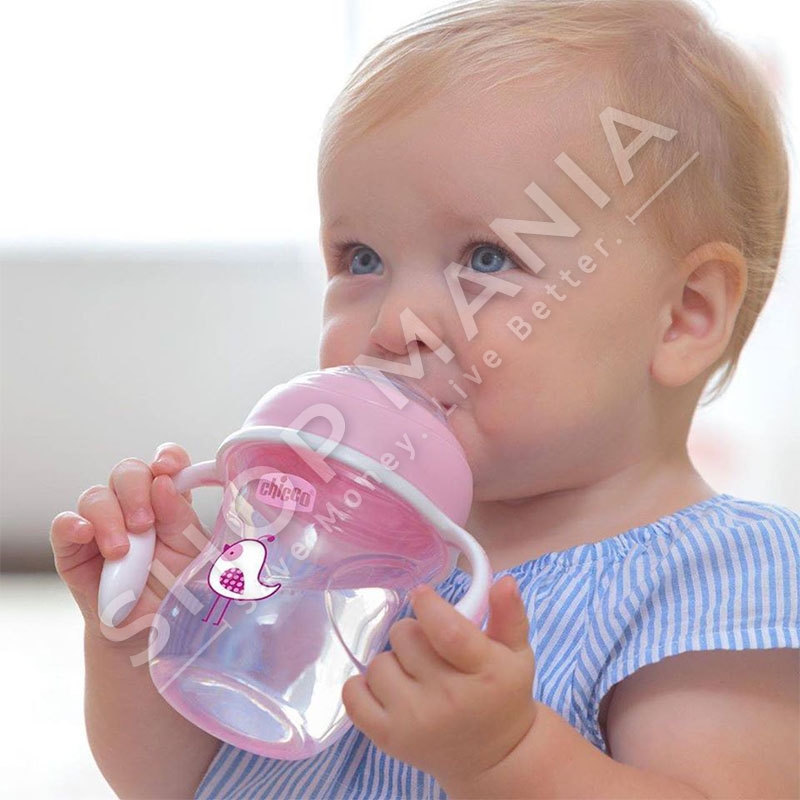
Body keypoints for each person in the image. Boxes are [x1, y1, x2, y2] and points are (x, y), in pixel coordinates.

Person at [50, 0, 799, 797]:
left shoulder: (721, 577)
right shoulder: (331, 547)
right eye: (361, 258)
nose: (392, 324)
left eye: (487, 258)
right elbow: (188, 782)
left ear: (682, 316)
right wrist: (144, 631)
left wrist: (507, 757)